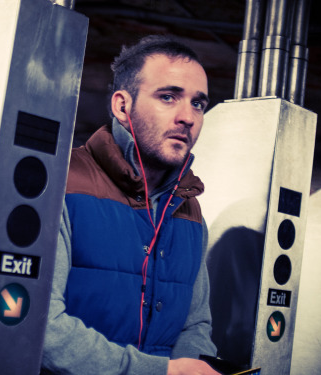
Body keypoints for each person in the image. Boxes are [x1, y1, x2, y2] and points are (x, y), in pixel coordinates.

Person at [41, 35, 220, 375]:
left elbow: (195, 325)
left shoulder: (190, 212)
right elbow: (40, 324)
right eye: (168, 97)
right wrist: (159, 372)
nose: (188, 117)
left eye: (198, 104)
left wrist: (190, 367)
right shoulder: (59, 183)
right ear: (123, 106)